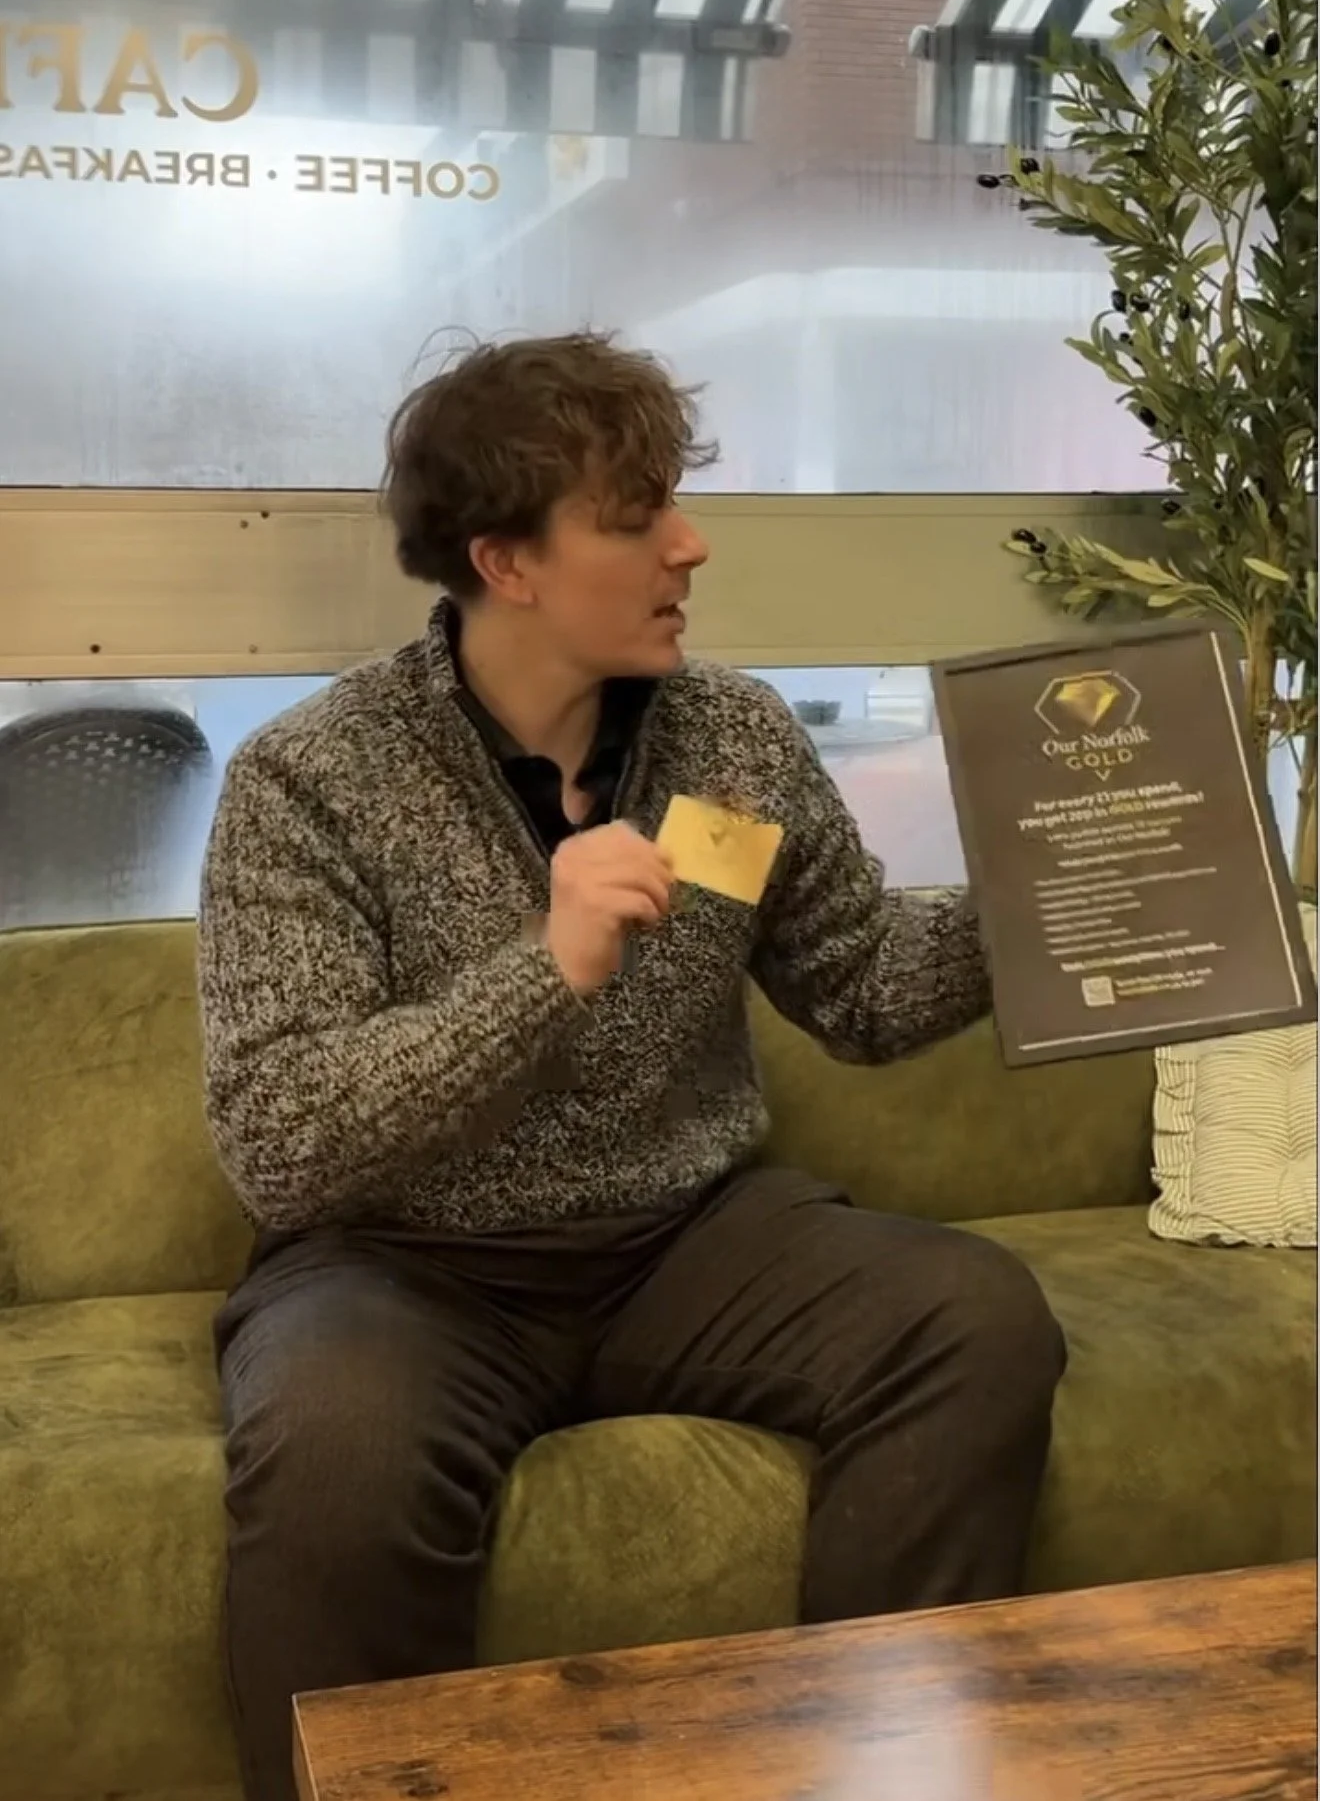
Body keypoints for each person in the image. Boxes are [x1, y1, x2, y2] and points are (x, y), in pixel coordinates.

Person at [199, 331, 1066, 1801]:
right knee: (336, 1458)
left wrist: (1056, 892)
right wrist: (547, 971)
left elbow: (860, 987)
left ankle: (869, 1765)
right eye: (636, 516)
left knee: (974, 1320)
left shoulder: (733, 737)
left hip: (686, 1235)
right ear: (507, 561)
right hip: (406, 1261)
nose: (691, 543)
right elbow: (281, 1137)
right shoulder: (309, 777)